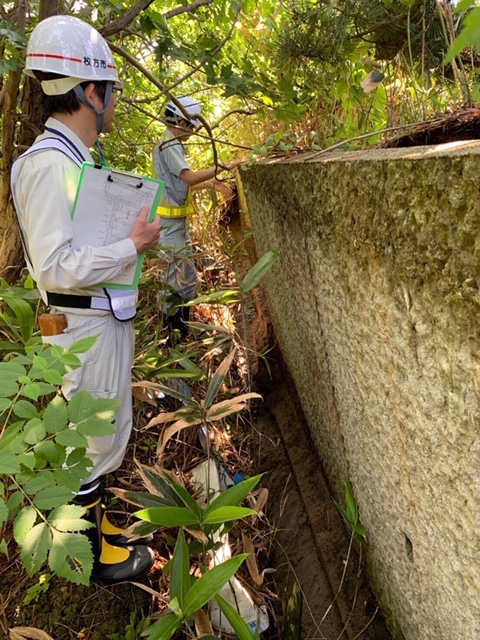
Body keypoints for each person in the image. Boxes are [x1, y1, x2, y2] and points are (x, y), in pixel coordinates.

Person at [10, 15, 161, 581]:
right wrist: (132, 244)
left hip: (97, 319)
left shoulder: (73, 159)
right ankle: (91, 555)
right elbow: (56, 264)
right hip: (81, 325)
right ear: (90, 90)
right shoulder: (49, 165)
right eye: (113, 91)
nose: (116, 103)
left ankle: (97, 525)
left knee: (104, 425)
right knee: (91, 435)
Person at [152, 97, 236, 335]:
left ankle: (183, 333)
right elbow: (188, 178)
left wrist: (211, 184)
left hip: (177, 224)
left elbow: (180, 184)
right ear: (182, 122)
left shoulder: (173, 145)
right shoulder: (167, 145)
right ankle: (172, 339)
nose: (192, 134)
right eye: (191, 128)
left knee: (187, 278)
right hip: (168, 227)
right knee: (173, 285)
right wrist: (224, 166)